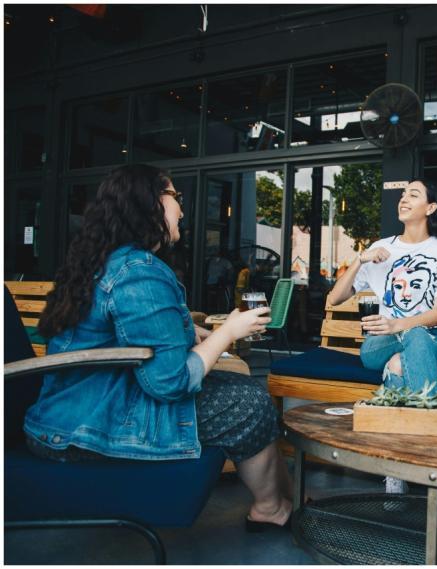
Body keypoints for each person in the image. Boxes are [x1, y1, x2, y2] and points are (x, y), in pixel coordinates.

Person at [27, 164, 293, 532]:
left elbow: (126, 336)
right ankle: (271, 508)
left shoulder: (109, 261)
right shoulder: (139, 271)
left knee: (240, 391)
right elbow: (170, 382)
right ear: (149, 203)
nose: (182, 210)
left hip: (69, 414)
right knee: (249, 402)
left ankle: (282, 500)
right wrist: (228, 331)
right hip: (83, 429)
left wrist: (192, 330)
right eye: (175, 197)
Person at [326, 179, 437, 497]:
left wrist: (400, 324)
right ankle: (435, 456)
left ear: (430, 208)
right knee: (403, 343)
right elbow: (334, 298)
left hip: (431, 341)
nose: (404, 199)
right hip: (378, 344)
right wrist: (361, 258)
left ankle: (395, 467)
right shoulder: (380, 248)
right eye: (402, 194)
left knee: (401, 362)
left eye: (413, 194)